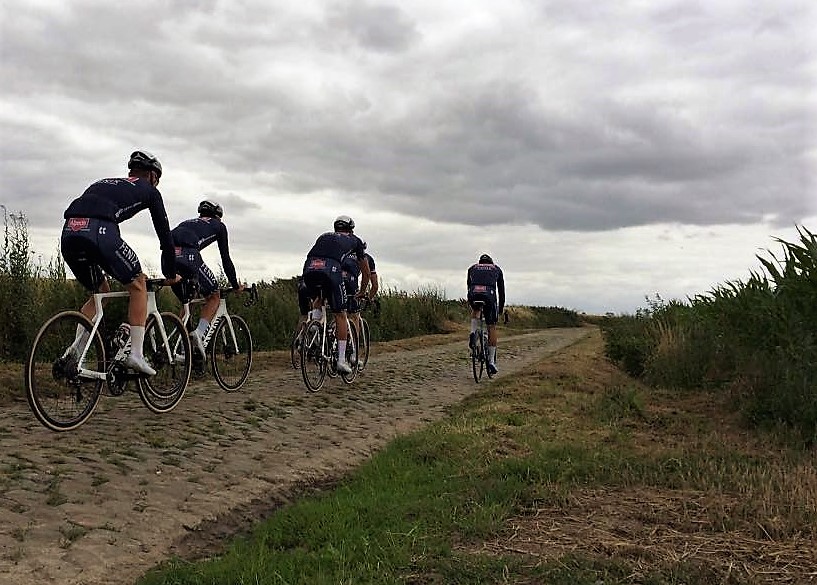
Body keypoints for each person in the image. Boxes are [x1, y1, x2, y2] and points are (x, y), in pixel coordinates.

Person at [61, 150, 180, 375]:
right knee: (138, 283)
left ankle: (75, 355)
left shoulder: (106, 182)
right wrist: (171, 272)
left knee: (100, 292)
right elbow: (166, 237)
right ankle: (135, 354)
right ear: (152, 175)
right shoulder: (150, 191)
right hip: (100, 231)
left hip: (69, 232)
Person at [170, 200, 244, 356]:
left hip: (168, 257)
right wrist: (235, 285)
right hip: (188, 256)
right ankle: (199, 333)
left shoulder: (188, 222)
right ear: (218, 215)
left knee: (187, 303)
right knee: (214, 295)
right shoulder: (219, 226)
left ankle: (180, 348)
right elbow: (225, 259)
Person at [302, 215, 371, 374]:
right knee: (341, 314)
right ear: (351, 229)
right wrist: (361, 291)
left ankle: (315, 324)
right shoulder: (356, 241)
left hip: (309, 267)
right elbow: (366, 273)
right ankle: (340, 360)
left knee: (319, 297)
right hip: (331, 269)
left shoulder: (324, 236)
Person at [467, 253, 505, 375]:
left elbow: (469, 285)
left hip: (474, 293)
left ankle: (473, 332)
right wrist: (500, 309)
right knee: (491, 326)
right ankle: (491, 362)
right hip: (489, 295)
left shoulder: (472, 268)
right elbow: (501, 291)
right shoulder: (496, 269)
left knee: (476, 310)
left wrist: (471, 301)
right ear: (491, 262)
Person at [342, 247, 378, 361]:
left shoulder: (343, 254)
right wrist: (368, 298)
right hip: (350, 282)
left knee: (339, 314)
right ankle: (354, 354)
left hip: (334, 279)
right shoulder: (367, 258)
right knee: (354, 317)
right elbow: (375, 285)